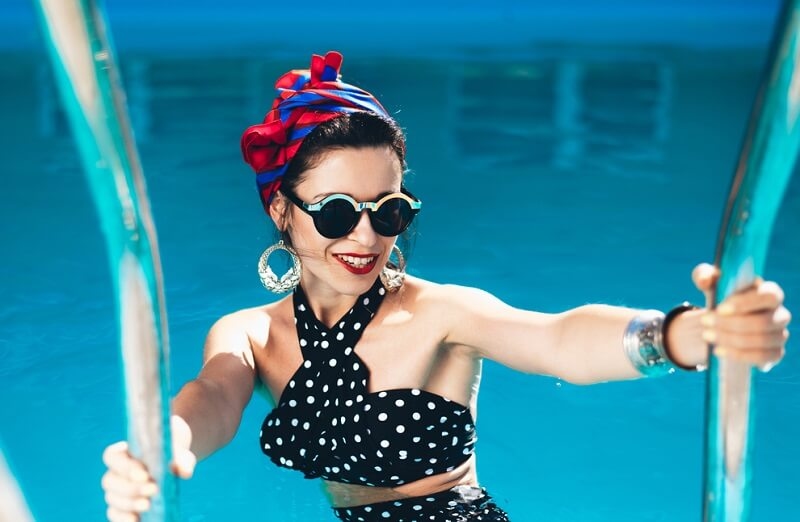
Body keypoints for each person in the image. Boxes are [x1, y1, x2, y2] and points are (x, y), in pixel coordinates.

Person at [101, 51, 791, 522]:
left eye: (389, 211)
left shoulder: (437, 313)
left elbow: (557, 339)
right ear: (282, 210)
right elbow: (211, 399)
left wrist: (683, 335)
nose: (367, 237)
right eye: (338, 213)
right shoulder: (252, 334)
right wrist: (165, 447)